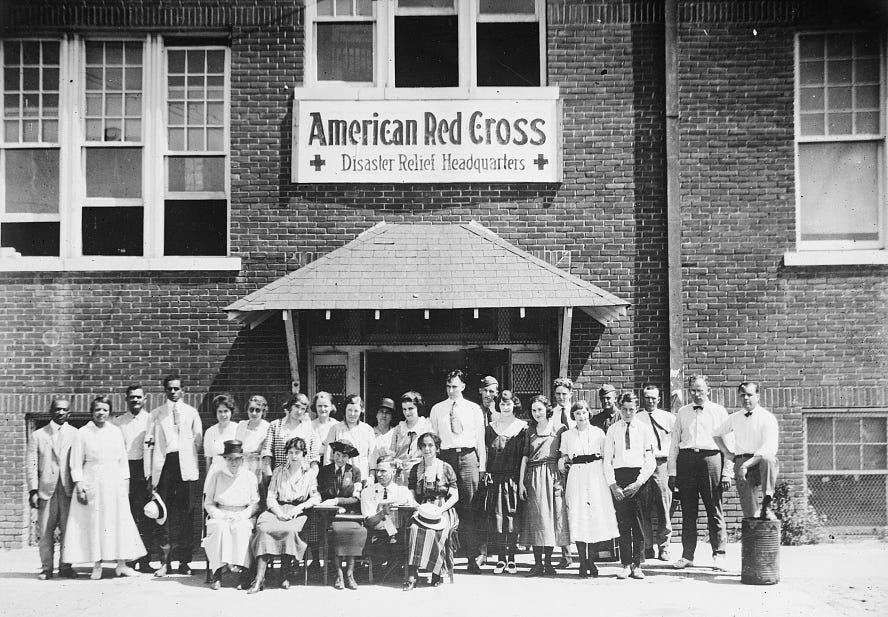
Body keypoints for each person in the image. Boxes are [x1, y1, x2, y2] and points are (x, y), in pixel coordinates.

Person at [63, 396, 146, 579]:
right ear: (92, 412)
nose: (101, 413)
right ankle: (97, 564)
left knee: (118, 521)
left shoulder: (116, 431)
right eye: (97, 409)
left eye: (105, 410)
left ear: (110, 412)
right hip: (92, 479)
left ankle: (121, 565)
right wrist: (79, 485)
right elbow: (75, 463)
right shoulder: (82, 432)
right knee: (95, 521)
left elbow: (123, 461)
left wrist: (125, 484)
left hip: (114, 481)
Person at [668, 374, 731, 570]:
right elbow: (674, 444)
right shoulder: (682, 412)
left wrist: (727, 472)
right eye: (693, 391)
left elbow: (729, 443)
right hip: (687, 461)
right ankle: (687, 556)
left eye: (700, 390)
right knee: (688, 511)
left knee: (714, 508)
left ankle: (719, 554)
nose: (696, 394)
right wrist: (672, 471)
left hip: (711, 460)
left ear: (708, 391)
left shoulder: (719, 412)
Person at [144, 374, 203, 577]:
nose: (173, 392)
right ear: (165, 391)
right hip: (165, 466)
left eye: (176, 388)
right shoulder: (156, 414)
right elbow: (149, 446)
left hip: (186, 467)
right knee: (163, 516)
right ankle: (165, 562)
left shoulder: (192, 413)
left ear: (183, 390)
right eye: (169, 388)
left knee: (186, 515)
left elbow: (198, 442)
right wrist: (149, 475)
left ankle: (185, 562)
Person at [429, 369, 486, 574]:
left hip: (469, 457)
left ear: (463, 386)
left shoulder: (473, 409)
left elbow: (480, 440)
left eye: (455, 386)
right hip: (446, 458)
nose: (451, 390)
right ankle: (442, 560)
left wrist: (482, 467)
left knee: (470, 507)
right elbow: (434, 439)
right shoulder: (437, 409)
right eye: (448, 386)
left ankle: (473, 558)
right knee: (444, 506)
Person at [249, 436, 320, 593]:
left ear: (304, 454)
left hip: (297, 511)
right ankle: (259, 578)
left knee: (290, 530)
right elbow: (270, 497)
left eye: (297, 453)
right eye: (291, 452)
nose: (294, 456)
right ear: (286, 454)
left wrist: (299, 508)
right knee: (264, 529)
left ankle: (284, 574)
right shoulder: (278, 471)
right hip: (277, 509)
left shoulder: (309, 474)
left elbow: (316, 497)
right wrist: (279, 513)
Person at [559, 400, 619, 578]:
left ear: (589, 414)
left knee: (593, 518)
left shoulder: (598, 433)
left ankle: (591, 559)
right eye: (577, 413)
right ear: (573, 416)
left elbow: (607, 456)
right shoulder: (567, 435)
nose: (581, 416)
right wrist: (561, 463)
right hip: (577, 475)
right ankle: (582, 562)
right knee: (578, 517)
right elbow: (563, 456)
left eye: (584, 413)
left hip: (595, 475)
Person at [604, 392, 656, 580]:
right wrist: (613, 485)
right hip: (620, 478)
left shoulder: (644, 429)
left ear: (637, 408)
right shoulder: (613, 430)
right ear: (620, 407)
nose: (627, 413)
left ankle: (638, 564)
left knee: (639, 523)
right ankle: (625, 564)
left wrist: (639, 482)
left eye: (631, 409)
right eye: (624, 409)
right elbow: (607, 460)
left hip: (639, 479)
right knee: (623, 523)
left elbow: (650, 460)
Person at [27, 396, 78, 580]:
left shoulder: (76, 434)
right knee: (46, 530)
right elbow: (31, 464)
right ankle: (46, 568)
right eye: (57, 409)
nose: (61, 412)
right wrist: (33, 490)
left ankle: (66, 566)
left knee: (68, 530)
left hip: (68, 489)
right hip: (46, 489)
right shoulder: (38, 435)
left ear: (69, 413)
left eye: (65, 409)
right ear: (51, 411)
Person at [518, 395, 569, 577]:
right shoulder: (529, 430)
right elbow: (524, 457)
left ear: (547, 409)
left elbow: (565, 453)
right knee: (536, 519)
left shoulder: (560, 428)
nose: (537, 413)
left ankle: (548, 563)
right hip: (533, 477)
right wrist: (521, 483)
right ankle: (537, 563)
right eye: (533, 410)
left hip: (553, 475)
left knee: (551, 520)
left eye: (540, 409)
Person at [713, 382, 779, 520]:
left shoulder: (767, 418)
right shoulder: (735, 417)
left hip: (760, 461)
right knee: (750, 513)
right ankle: (754, 529)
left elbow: (769, 447)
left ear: (758, 396)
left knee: (769, 459)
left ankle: (767, 502)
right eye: (742, 395)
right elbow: (716, 434)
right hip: (741, 460)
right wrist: (726, 453)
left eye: (750, 394)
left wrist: (745, 465)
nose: (746, 398)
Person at [403, 432, 460, 591]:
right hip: (422, 507)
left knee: (439, 531)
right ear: (420, 448)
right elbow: (411, 492)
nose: (427, 449)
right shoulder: (416, 469)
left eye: (430, 445)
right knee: (414, 529)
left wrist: (441, 509)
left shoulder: (446, 468)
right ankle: (412, 575)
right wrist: (416, 505)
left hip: (443, 508)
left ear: (436, 448)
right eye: (424, 446)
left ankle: (437, 573)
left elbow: (455, 496)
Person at [480, 390, 526, 575]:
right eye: (502, 404)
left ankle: (512, 558)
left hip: (513, 478)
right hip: (496, 478)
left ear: (514, 405)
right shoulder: (491, 427)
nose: (505, 407)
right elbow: (485, 452)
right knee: (497, 518)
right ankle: (500, 559)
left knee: (512, 518)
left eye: (508, 404)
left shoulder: (522, 427)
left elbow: (524, 455)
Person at [203, 440, 260, 590]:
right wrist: (219, 515)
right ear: (225, 460)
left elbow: (255, 503)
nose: (233, 462)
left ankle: (244, 575)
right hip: (221, 515)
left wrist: (243, 515)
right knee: (220, 529)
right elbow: (208, 503)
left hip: (242, 515)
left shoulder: (249, 476)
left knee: (242, 529)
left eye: (237, 459)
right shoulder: (216, 476)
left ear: (242, 460)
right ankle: (216, 574)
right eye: (229, 459)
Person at [112, 385, 153, 572]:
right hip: (124, 471)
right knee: (127, 516)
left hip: (144, 470)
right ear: (126, 399)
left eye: (139, 397)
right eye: (132, 397)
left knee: (146, 516)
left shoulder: (151, 420)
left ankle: (145, 560)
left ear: (145, 399)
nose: (135, 400)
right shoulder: (118, 422)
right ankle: (128, 559)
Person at [318, 439, 366, 590]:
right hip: (330, 514)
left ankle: (350, 573)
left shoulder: (355, 472)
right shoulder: (325, 471)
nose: (340, 459)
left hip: (350, 513)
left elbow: (356, 497)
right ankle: (339, 573)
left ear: (348, 458)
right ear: (333, 454)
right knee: (337, 532)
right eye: (337, 455)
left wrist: (338, 501)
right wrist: (332, 504)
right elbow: (323, 494)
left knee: (354, 531)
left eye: (344, 456)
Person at [636, 384, 675, 561]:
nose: (650, 401)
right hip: (643, 464)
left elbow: (675, 444)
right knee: (642, 507)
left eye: (653, 398)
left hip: (661, 464)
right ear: (642, 398)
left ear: (659, 399)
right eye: (647, 397)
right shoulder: (636, 418)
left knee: (663, 505)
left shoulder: (668, 418)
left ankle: (664, 546)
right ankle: (647, 546)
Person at [360, 455, 412, 573]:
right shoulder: (367, 492)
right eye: (377, 471)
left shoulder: (402, 491)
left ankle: (398, 569)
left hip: (399, 534)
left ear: (393, 472)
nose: (379, 475)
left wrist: (397, 502)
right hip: (377, 535)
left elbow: (413, 507)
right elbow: (369, 521)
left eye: (383, 471)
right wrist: (383, 512)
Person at [551, 376, 577, 569]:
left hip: (577, 465)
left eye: (564, 394)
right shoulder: (551, 414)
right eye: (558, 394)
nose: (561, 397)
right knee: (560, 509)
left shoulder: (578, 414)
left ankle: (587, 555)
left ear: (571, 394)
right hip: (558, 467)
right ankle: (565, 554)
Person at [262, 393, 321, 475]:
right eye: (297, 406)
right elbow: (267, 453)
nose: (299, 411)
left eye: (303, 409)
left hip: (303, 477)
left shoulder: (308, 428)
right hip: (280, 477)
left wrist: (311, 477)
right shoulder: (275, 425)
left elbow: (314, 458)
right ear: (290, 406)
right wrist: (269, 475)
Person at [325, 394, 375, 481]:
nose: (352, 414)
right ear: (345, 410)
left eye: (356, 411)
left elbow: (372, 457)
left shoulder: (368, 430)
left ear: (361, 411)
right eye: (349, 410)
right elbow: (328, 456)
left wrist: (371, 477)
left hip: (363, 476)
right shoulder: (335, 428)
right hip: (339, 478)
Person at [390, 391, 433, 485]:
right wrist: (395, 460)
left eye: (410, 408)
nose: (407, 412)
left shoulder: (427, 426)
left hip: (420, 473)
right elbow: (392, 452)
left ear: (418, 408)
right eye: (404, 409)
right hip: (400, 475)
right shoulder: (398, 428)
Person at [236, 395, 271, 487]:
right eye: (251, 409)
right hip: (241, 464)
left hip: (258, 466)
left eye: (258, 410)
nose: (254, 413)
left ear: (263, 411)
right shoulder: (241, 425)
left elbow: (264, 449)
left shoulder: (267, 427)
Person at [204, 394, 239, 476]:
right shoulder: (210, 432)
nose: (223, 415)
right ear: (215, 412)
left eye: (226, 411)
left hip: (233, 472)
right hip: (215, 472)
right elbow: (208, 460)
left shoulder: (238, 428)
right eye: (220, 411)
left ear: (231, 412)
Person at [369, 398, 397, 479]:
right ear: (376, 414)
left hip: (391, 475)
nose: (384, 415)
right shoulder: (369, 432)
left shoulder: (395, 432)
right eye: (381, 412)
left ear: (391, 416)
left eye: (387, 413)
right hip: (373, 475)